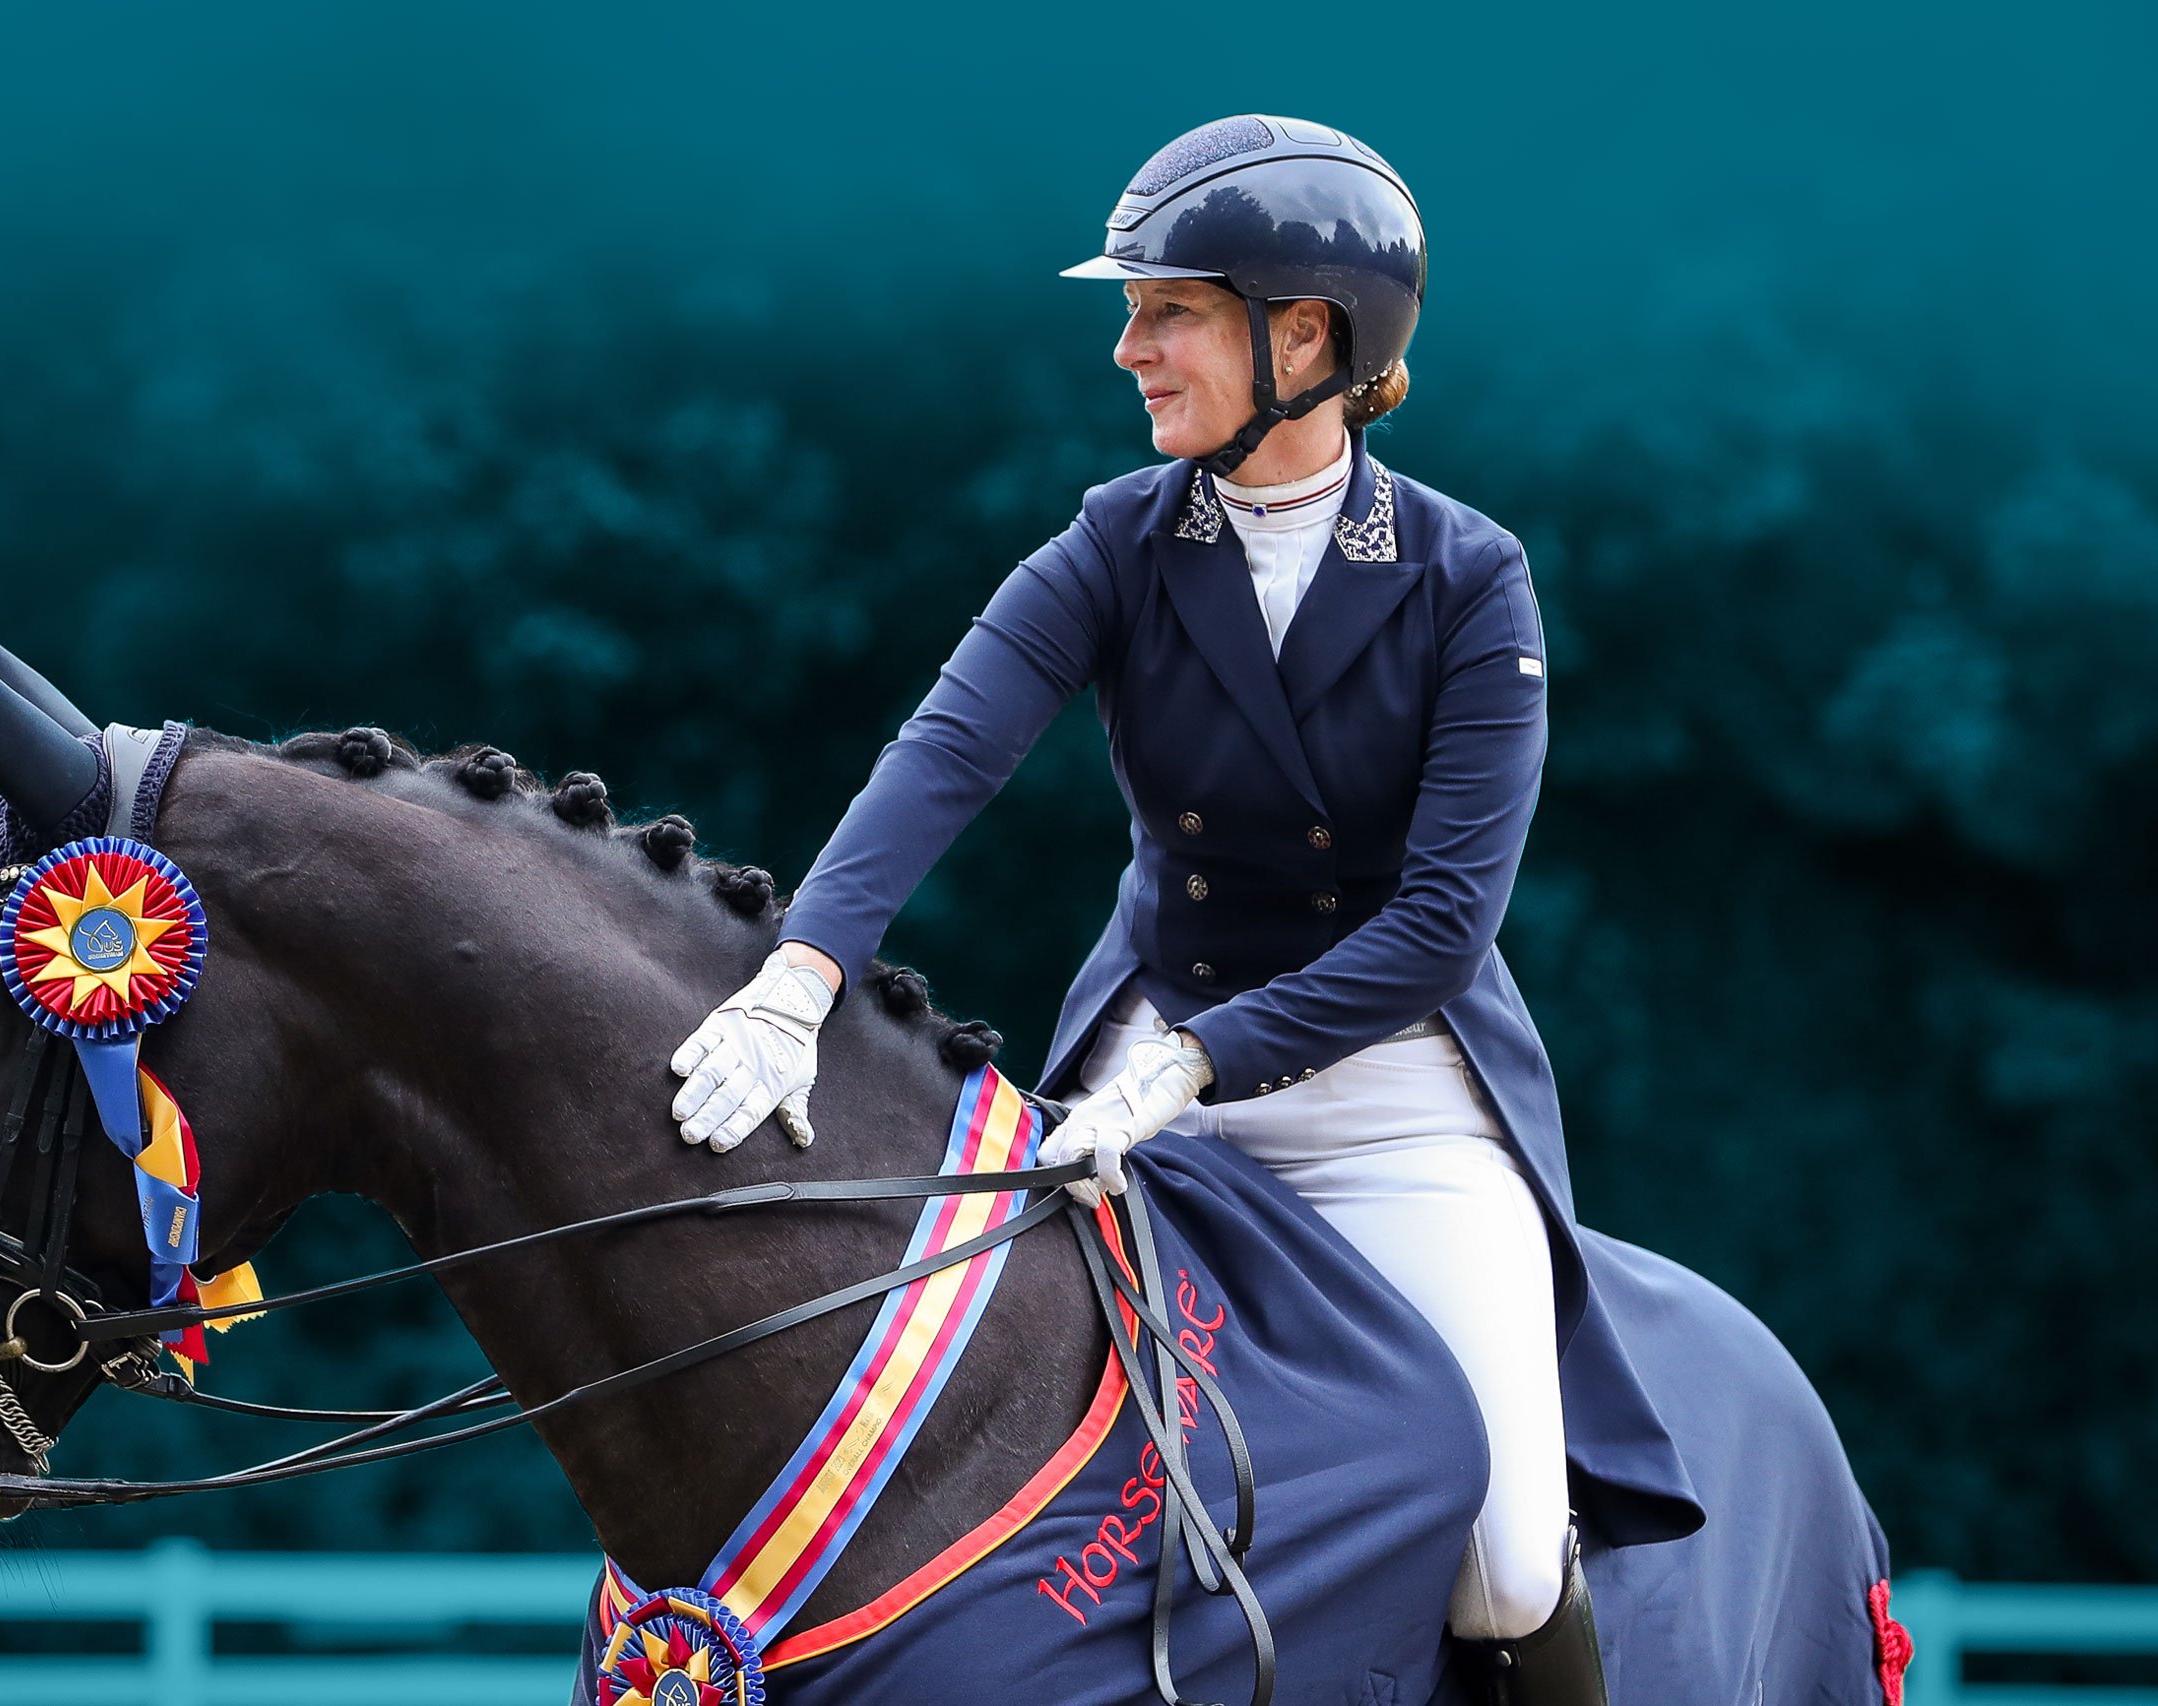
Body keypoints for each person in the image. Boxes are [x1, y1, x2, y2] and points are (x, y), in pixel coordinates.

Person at [665, 116, 1668, 1706]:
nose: (1127, 348)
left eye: (1166, 311)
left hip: (1388, 1087)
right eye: (1130, 312)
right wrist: (796, 977)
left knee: (1507, 1556)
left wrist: (1197, 1064)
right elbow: (946, 753)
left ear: (1307, 335)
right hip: (1138, 1067)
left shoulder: (1472, 579)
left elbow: (1439, 925)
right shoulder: (1118, 540)